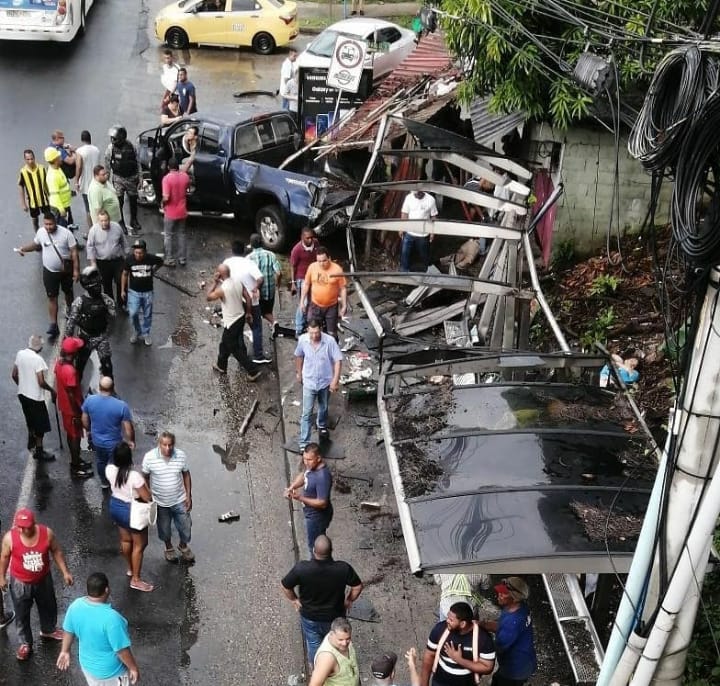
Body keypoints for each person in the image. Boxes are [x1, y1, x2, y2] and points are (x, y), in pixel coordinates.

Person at [0, 508, 73, 661]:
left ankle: (48, 630)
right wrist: (1, 577)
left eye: (24, 526)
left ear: (33, 524)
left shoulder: (47, 533)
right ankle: (25, 643)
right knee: (21, 614)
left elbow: (57, 551)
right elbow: (5, 557)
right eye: (19, 525)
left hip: (43, 579)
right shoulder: (10, 538)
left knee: (48, 606)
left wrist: (65, 572)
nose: (21, 529)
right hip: (20, 583)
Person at [281, 535, 363, 665]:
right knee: (336, 642)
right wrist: (349, 600)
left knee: (314, 644)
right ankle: (336, 667)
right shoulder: (343, 568)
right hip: (335, 616)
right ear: (331, 551)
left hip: (310, 617)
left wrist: (294, 600)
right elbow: (357, 586)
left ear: (314, 550)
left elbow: (286, 586)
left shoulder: (302, 568)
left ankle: (318, 668)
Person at [57, 571, 141, 684]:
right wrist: (133, 668)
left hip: (87, 667)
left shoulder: (76, 605)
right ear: (107, 590)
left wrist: (65, 651)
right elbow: (121, 650)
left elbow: (68, 630)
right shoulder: (112, 619)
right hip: (111, 673)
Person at [16, 212, 79, 338]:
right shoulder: (41, 232)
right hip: (49, 272)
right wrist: (23, 248)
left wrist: (76, 271)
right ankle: (53, 324)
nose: (48, 227)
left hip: (65, 271)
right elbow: (36, 244)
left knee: (68, 292)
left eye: (51, 224)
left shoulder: (66, 233)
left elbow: (74, 252)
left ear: (56, 222)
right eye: (46, 224)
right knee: (52, 297)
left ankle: (70, 310)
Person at [106, 442, 154, 592]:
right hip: (132, 510)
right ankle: (136, 579)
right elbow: (146, 497)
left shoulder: (109, 470)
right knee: (140, 544)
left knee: (126, 540)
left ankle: (130, 568)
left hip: (115, 506)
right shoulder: (134, 476)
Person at [142, 431, 194, 563]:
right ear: (159, 444)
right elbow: (145, 477)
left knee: (186, 526)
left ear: (174, 444)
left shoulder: (181, 456)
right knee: (164, 528)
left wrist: (188, 495)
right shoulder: (149, 458)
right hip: (160, 502)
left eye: (170, 445)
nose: (167, 448)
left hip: (179, 500)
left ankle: (183, 545)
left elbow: (186, 474)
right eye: (164, 445)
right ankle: (169, 548)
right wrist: (148, 497)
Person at [206, 263, 262, 381]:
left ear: (219, 274)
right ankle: (221, 365)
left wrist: (215, 282)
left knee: (233, 348)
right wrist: (248, 312)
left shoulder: (223, 289)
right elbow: (248, 297)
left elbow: (208, 297)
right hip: (240, 317)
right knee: (224, 343)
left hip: (231, 321)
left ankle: (253, 370)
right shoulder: (237, 282)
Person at [478, 578, 537, 686]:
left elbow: (497, 647)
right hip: (526, 659)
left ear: (514, 598)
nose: (499, 594)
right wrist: (483, 624)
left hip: (515, 669)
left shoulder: (512, 622)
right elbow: (501, 627)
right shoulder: (520, 608)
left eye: (504, 593)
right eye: (500, 591)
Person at [420, 602, 495, 686]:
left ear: (463, 624)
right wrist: (424, 683)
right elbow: (429, 656)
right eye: (448, 617)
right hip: (439, 682)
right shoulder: (440, 629)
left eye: (451, 620)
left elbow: (488, 667)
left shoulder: (483, 639)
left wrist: (459, 660)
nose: (447, 621)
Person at [295, 319, 343, 449]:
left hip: (324, 382)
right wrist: (299, 373)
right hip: (309, 382)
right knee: (306, 413)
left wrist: (335, 380)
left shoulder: (329, 341)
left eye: (316, 333)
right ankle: (304, 442)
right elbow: (299, 356)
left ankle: (321, 425)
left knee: (323, 407)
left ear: (321, 329)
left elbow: (338, 360)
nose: (314, 336)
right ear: (307, 331)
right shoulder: (303, 340)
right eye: (311, 333)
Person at [81, 376, 135, 489]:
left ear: (100, 387)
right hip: (114, 442)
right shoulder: (121, 405)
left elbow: (84, 419)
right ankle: (115, 483)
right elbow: (128, 427)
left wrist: (89, 430)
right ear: (112, 387)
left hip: (97, 440)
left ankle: (104, 482)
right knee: (114, 463)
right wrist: (130, 441)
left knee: (101, 461)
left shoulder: (90, 400)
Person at [66, 266, 116, 382]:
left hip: (101, 337)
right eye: (95, 286)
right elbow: (71, 324)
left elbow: (113, 319)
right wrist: (68, 343)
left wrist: (106, 334)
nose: (99, 288)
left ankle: (109, 391)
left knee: (107, 367)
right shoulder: (79, 302)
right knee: (79, 368)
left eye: (99, 285)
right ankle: (76, 391)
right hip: (84, 338)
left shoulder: (106, 300)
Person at [12, 334, 57, 461]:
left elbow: (14, 374)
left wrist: (22, 385)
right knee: (41, 424)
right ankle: (39, 449)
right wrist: (52, 390)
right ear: (40, 348)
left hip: (22, 394)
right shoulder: (38, 360)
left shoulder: (20, 354)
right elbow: (41, 382)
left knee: (29, 418)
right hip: (35, 397)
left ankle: (31, 436)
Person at [54, 336, 94, 478]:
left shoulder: (59, 364)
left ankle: (76, 460)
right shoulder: (70, 371)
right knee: (75, 437)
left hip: (64, 407)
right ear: (73, 353)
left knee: (71, 435)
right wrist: (78, 412)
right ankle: (76, 467)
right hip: (72, 409)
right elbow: (71, 393)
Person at [223, 240, 268, 364]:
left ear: (232, 250)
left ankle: (241, 354)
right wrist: (256, 287)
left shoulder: (227, 262)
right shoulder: (249, 263)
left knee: (238, 328)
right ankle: (258, 355)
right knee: (256, 327)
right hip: (251, 301)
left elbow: (223, 278)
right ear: (243, 250)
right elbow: (260, 278)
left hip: (235, 301)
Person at [285, 443, 333, 553]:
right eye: (304, 459)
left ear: (319, 458)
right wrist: (292, 486)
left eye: (309, 459)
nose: (306, 462)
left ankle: (317, 567)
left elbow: (322, 503)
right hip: (309, 512)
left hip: (317, 517)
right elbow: (304, 475)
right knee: (317, 541)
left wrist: (300, 498)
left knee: (314, 547)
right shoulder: (311, 466)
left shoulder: (322, 477)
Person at [121, 238, 164, 346]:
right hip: (133, 292)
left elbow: (160, 262)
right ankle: (137, 330)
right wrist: (122, 290)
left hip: (148, 292)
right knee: (133, 313)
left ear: (145, 251)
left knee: (147, 314)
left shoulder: (151, 258)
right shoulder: (129, 259)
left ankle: (146, 333)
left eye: (140, 253)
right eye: (136, 252)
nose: (138, 255)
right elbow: (124, 274)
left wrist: (153, 270)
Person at [301, 247, 347, 340]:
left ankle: (331, 352)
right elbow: (306, 284)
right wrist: (302, 301)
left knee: (331, 334)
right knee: (313, 330)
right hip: (315, 305)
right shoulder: (312, 267)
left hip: (331, 307)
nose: (322, 264)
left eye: (324, 261)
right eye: (319, 261)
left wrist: (344, 305)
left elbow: (343, 288)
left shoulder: (337, 269)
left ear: (329, 258)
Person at [86, 208, 129, 307]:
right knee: (106, 284)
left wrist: (127, 256)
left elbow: (123, 241)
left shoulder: (117, 227)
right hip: (102, 262)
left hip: (117, 260)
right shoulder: (94, 230)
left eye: (106, 220)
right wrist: (93, 263)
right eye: (102, 221)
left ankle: (122, 303)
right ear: (98, 220)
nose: (104, 223)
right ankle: (110, 304)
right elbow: (90, 247)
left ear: (109, 219)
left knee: (121, 281)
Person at [106, 126, 142, 233]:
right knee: (119, 201)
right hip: (118, 178)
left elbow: (138, 162)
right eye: (111, 138)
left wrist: (140, 177)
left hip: (132, 178)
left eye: (115, 138)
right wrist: (107, 182)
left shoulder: (131, 147)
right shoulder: (110, 148)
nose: (112, 140)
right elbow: (107, 164)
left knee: (133, 200)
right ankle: (120, 222)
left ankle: (134, 220)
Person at [248, 232, 281, 339]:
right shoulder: (271, 254)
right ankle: (274, 323)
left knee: (257, 312)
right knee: (267, 310)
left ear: (251, 245)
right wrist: (277, 284)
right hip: (270, 289)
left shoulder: (249, 258)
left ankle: (256, 334)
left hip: (256, 291)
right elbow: (279, 272)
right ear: (262, 242)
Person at [309, 617, 360, 686]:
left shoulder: (341, 638)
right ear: (331, 634)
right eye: (340, 640)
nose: (344, 643)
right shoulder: (326, 658)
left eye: (348, 639)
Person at [290, 227, 319, 336]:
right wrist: (293, 282)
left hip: (314, 276)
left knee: (313, 302)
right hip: (301, 278)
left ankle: (309, 323)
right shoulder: (297, 249)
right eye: (307, 238)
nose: (310, 240)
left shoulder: (316, 244)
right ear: (302, 237)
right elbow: (292, 266)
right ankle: (298, 327)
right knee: (304, 302)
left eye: (311, 237)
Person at [161, 156, 190, 266]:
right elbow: (187, 188)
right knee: (181, 234)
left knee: (168, 235)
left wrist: (162, 203)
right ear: (178, 166)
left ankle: (169, 259)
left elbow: (166, 197)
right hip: (182, 211)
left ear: (169, 167)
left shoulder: (166, 179)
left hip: (170, 213)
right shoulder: (185, 176)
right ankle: (182, 259)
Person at [400, 190, 438, 272]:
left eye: (417, 193)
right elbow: (404, 214)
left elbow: (433, 217)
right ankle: (404, 272)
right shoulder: (409, 198)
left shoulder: (430, 200)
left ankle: (428, 270)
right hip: (409, 232)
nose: (415, 195)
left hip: (423, 234)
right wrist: (401, 228)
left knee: (424, 255)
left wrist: (432, 232)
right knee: (404, 253)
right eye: (414, 193)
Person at [75, 130, 102, 228]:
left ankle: (92, 230)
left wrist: (76, 182)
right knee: (97, 207)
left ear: (82, 139)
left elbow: (79, 167)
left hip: (86, 185)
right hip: (97, 183)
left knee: (88, 209)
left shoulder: (80, 151)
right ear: (90, 138)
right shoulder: (97, 150)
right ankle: (100, 225)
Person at [18, 149, 50, 232]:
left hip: (44, 200)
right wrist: (23, 203)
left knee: (48, 218)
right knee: (35, 220)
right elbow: (21, 186)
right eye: (28, 159)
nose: (30, 161)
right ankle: (38, 236)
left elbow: (48, 182)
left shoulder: (42, 168)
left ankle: (49, 234)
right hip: (32, 201)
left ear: (34, 158)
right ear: (25, 160)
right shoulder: (23, 172)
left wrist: (51, 196)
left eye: (32, 158)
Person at [44, 146, 76, 228]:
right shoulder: (53, 176)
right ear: (55, 159)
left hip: (65, 204)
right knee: (62, 227)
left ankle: (70, 236)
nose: (61, 158)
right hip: (59, 207)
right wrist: (61, 210)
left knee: (69, 223)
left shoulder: (57, 168)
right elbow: (55, 195)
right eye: (59, 157)